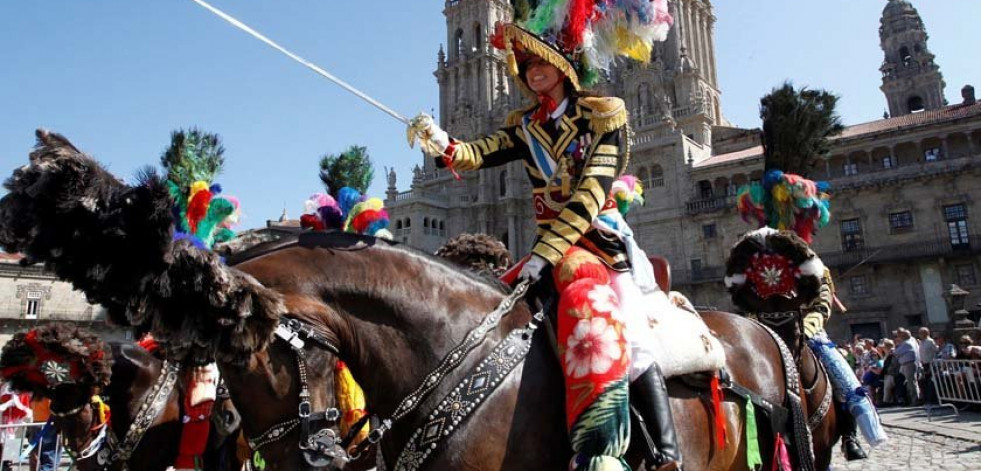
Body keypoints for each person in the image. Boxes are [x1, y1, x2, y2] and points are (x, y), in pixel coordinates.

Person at [408, 6, 678, 471]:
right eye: (527, 65)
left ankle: (661, 452)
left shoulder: (604, 116)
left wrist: (546, 254)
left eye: (542, 62)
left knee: (629, 336)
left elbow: (592, 192)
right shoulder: (524, 126)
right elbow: (478, 152)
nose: (534, 72)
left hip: (600, 246)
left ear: (566, 66)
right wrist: (440, 142)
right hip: (547, 250)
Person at [894, 328, 921, 405]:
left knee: (911, 382)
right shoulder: (906, 343)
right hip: (906, 364)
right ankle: (911, 399)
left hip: (909, 364)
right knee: (909, 382)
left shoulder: (906, 343)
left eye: (900, 335)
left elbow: (896, 352)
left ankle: (915, 399)